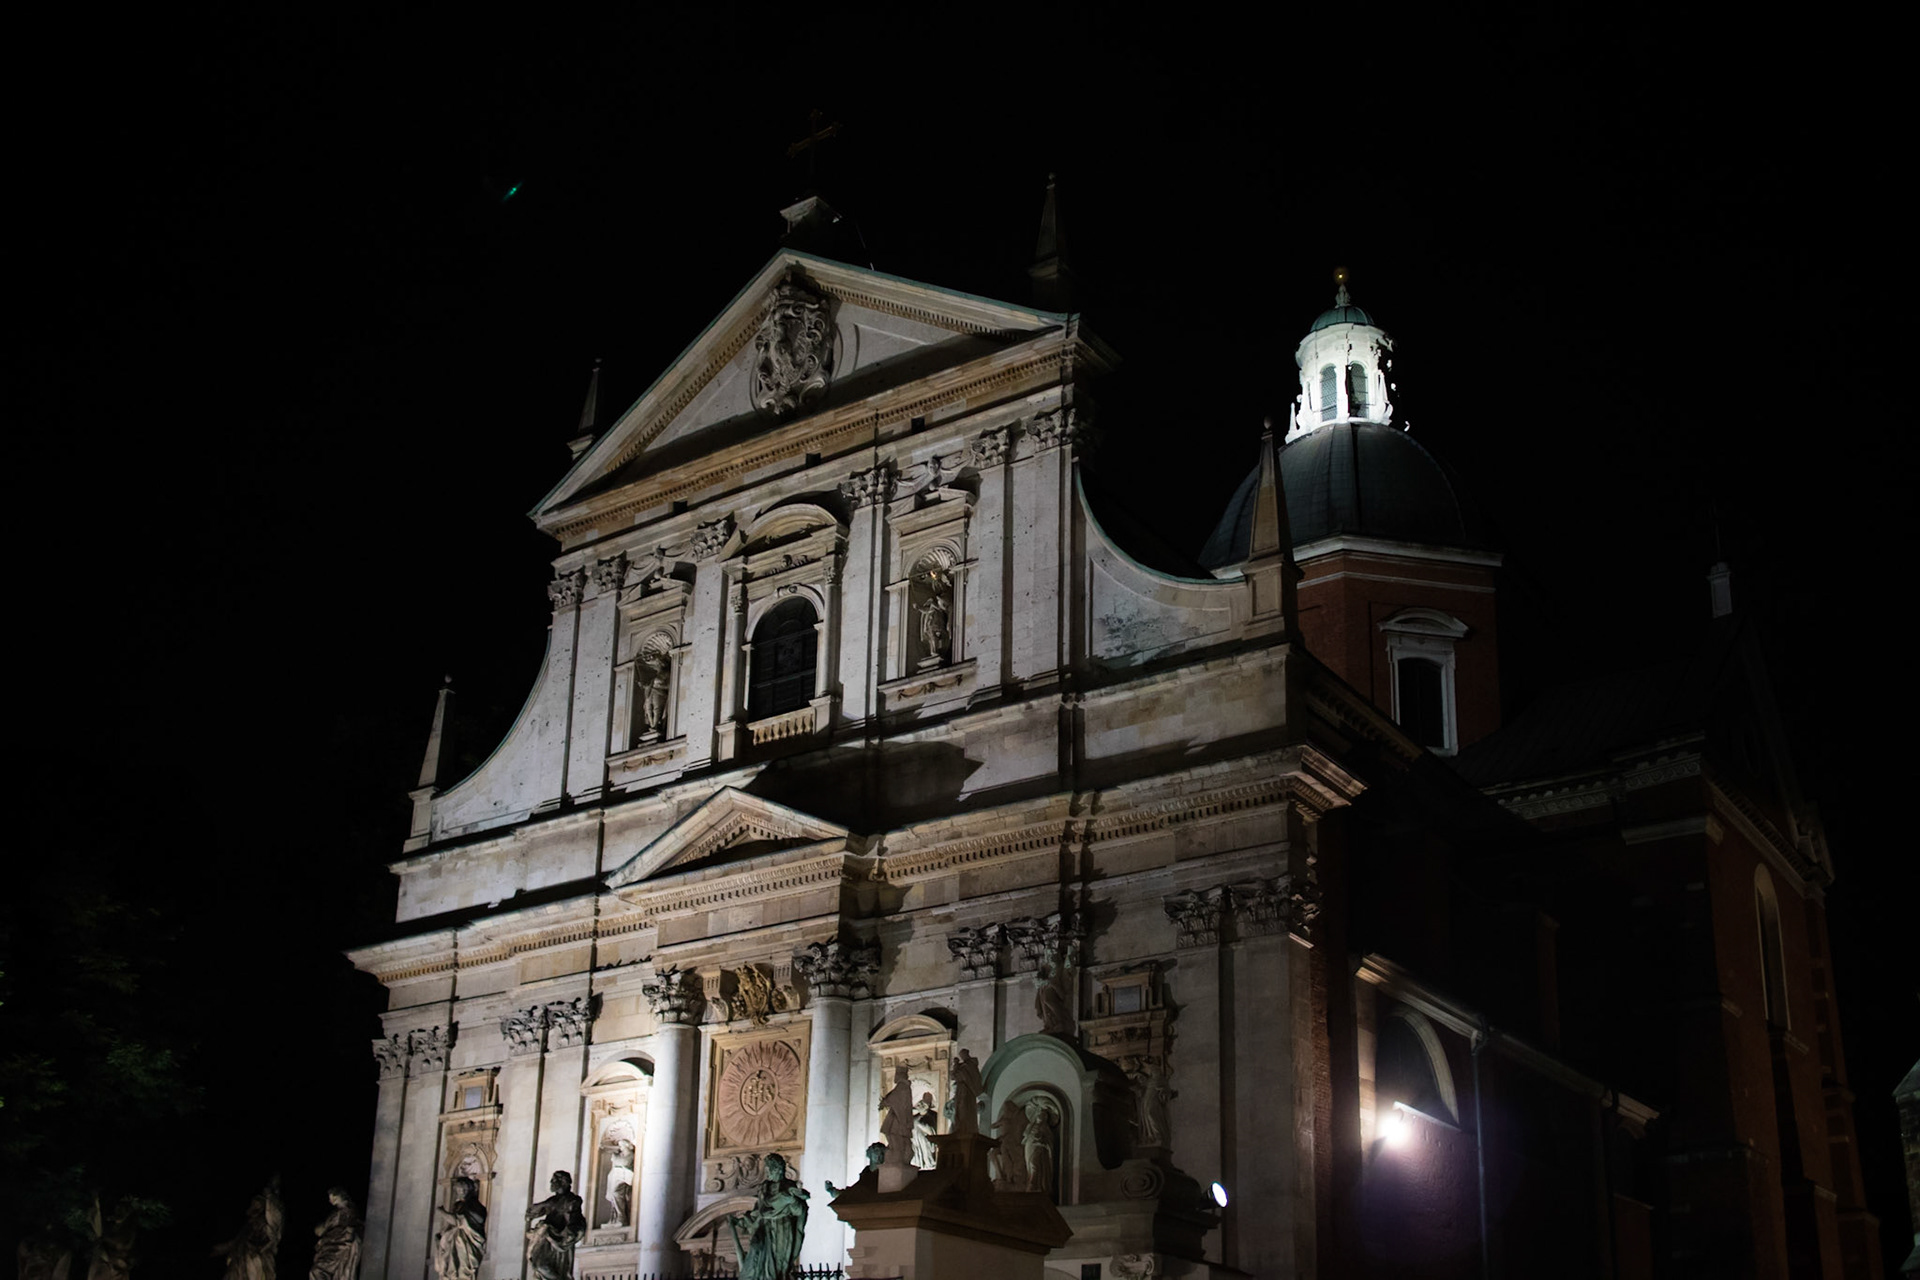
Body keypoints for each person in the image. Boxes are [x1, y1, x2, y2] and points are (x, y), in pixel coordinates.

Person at [728, 1153, 809, 1280]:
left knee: (779, 1264)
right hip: (765, 1227)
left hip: (783, 1228)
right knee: (756, 1249)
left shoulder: (789, 1186)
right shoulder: (764, 1187)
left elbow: (799, 1211)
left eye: (769, 1170)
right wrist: (743, 1221)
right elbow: (758, 1211)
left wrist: (791, 1200)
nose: (767, 1173)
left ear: (778, 1169)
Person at [214, 1175, 285, 1280]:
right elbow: (234, 1243)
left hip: (257, 1264)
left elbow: (274, 1221)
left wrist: (270, 1194)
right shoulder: (247, 1227)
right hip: (239, 1265)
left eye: (257, 1204)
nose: (253, 1207)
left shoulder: (268, 1224)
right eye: (253, 1204)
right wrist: (218, 1249)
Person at [524, 1171, 586, 1280]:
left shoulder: (572, 1200)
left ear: (563, 1182)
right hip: (547, 1238)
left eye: (554, 1180)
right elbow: (532, 1212)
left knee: (541, 1265)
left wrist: (566, 1235)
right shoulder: (553, 1200)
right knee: (537, 1264)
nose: (551, 1182)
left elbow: (574, 1221)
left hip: (558, 1240)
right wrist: (540, 1207)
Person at [432, 1177, 487, 1280]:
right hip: (454, 1243)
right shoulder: (458, 1205)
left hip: (466, 1245)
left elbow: (458, 1221)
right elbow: (453, 1224)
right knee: (450, 1267)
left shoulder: (475, 1206)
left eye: (462, 1190)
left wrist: (442, 1212)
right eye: (458, 1190)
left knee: (463, 1270)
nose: (460, 1193)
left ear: (468, 1189)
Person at [307, 1188, 362, 1280]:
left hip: (339, 1247)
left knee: (317, 1271)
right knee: (318, 1271)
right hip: (334, 1246)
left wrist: (323, 1233)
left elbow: (326, 1229)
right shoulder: (338, 1213)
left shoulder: (346, 1212)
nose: (331, 1200)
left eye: (333, 1197)